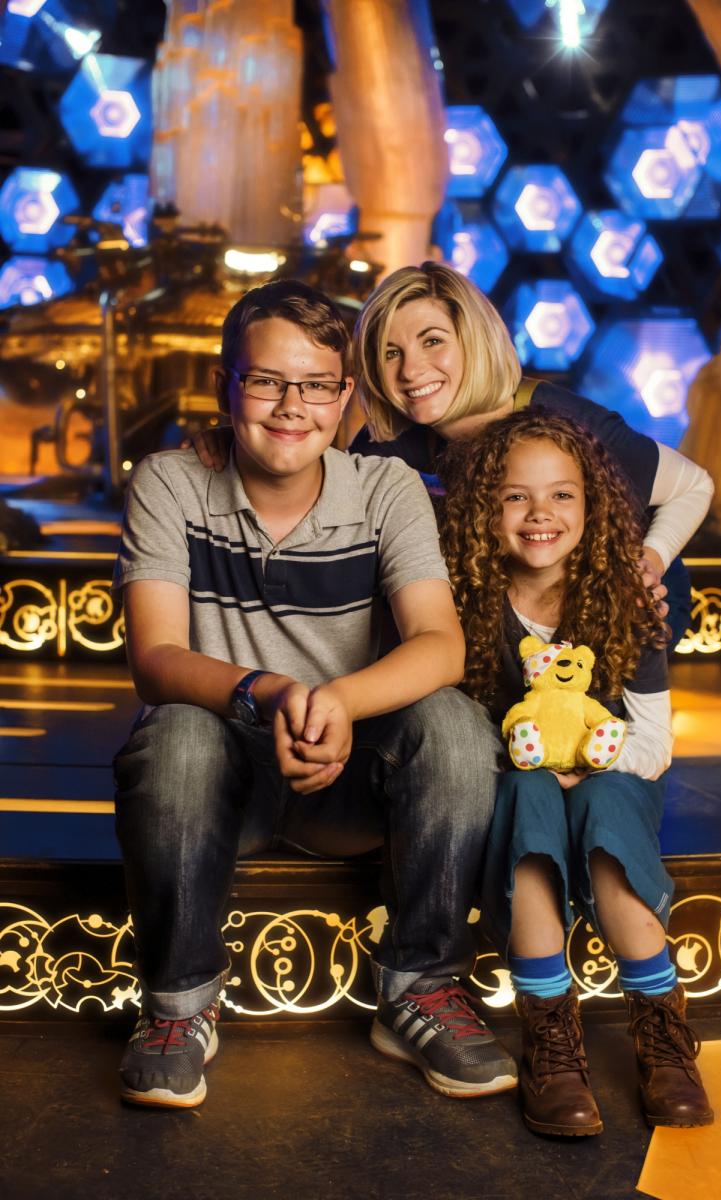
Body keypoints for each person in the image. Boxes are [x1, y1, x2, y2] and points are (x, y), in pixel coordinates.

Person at [112, 278, 517, 1109]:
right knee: (175, 732)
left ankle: (421, 989)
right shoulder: (170, 481)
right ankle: (179, 1008)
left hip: (350, 781)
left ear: (344, 397)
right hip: (222, 782)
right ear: (226, 386)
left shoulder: (385, 490)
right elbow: (154, 658)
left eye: (317, 385)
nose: (292, 405)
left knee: (454, 725)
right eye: (266, 380)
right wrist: (268, 692)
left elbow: (441, 644)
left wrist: (337, 703)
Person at [438, 407, 714, 1138]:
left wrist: (590, 761)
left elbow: (653, 744)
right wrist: (539, 764)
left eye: (562, 494)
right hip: (517, 776)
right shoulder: (465, 599)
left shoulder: (626, 599)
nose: (540, 514)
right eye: (515, 496)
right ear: (484, 510)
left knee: (607, 814)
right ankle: (552, 1039)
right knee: (529, 799)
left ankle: (663, 1032)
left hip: (613, 771)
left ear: (593, 508)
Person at [350, 262, 714, 644]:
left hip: (625, 599)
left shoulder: (560, 419)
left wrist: (649, 562)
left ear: (474, 340)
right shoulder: (390, 440)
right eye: (391, 353)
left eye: (432, 341)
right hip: (515, 608)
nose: (410, 370)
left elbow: (694, 485)